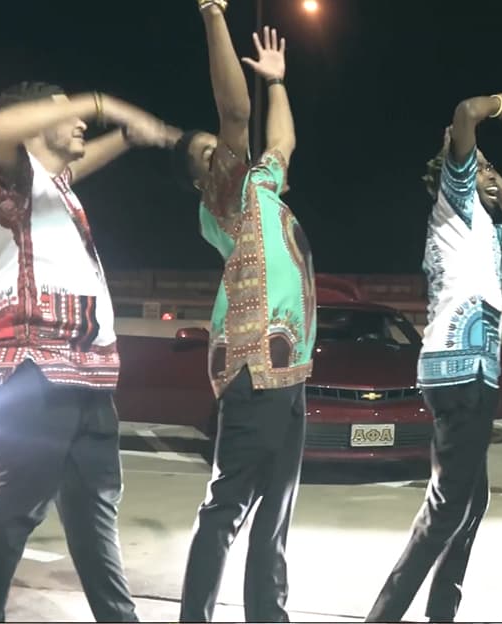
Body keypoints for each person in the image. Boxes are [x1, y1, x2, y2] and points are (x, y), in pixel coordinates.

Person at [0, 81, 177, 621]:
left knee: (94, 513)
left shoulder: (51, 186)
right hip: (30, 371)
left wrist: (127, 138)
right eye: (69, 114)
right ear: (34, 123)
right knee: (14, 511)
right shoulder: (7, 180)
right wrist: (105, 103)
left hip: (85, 375)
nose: (83, 121)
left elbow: (75, 165)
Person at [365, 91, 502, 623]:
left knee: (472, 500)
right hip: (456, 368)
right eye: (479, 168)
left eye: (488, 170)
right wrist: (494, 110)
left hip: (476, 372)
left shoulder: (488, 231)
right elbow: (465, 113)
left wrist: (495, 175)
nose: (486, 175)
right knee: (445, 510)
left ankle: (442, 609)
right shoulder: (454, 205)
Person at [173, 3, 316, 621]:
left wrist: (277, 80)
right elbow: (235, 113)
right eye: (208, 154)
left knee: (276, 511)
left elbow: (281, 142)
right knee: (227, 506)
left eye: (221, 151)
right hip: (254, 367)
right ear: (201, 179)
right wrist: (213, 15)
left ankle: (268, 613)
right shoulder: (222, 199)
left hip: (290, 371)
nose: (223, 154)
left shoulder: (260, 184)